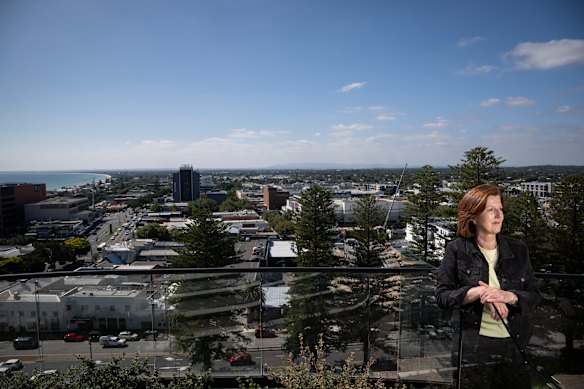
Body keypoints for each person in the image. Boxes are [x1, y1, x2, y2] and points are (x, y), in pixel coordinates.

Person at [435, 184, 541, 389]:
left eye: (500, 209)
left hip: (515, 345)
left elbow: (534, 296)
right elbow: (442, 297)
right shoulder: (457, 250)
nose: (498, 214)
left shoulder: (519, 250)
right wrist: (480, 292)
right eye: (490, 209)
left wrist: (507, 296)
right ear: (473, 217)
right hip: (473, 347)